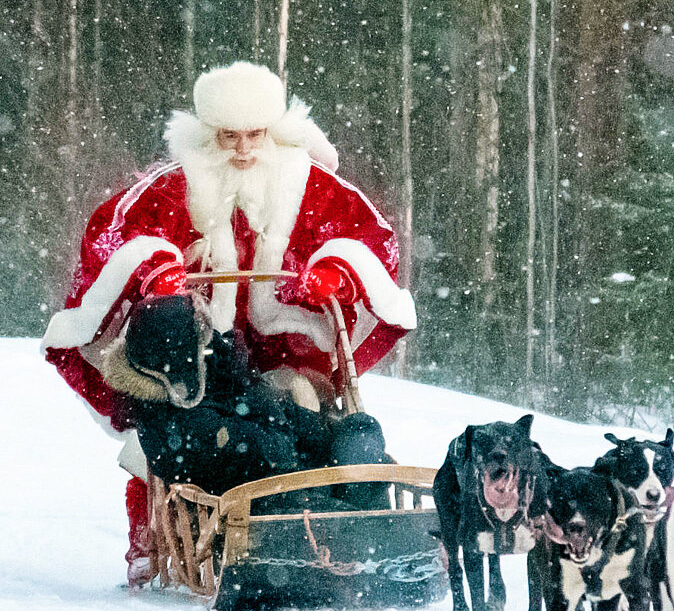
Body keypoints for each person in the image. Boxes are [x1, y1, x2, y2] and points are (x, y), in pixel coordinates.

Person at [43, 61, 416, 584]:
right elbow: (116, 237)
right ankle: (151, 534)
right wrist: (157, 270)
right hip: (195, 351)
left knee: (313, 422)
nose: (242, 149)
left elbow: (371, 238)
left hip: (283, 358)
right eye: (228, 136)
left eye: (255, 135)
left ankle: (327, 521)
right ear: (205, 132)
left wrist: (337, 274)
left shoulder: (313, 187)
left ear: (276, 129)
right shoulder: (170, 186)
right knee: (170, 430)